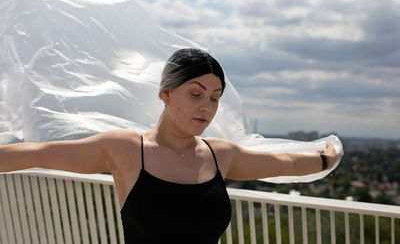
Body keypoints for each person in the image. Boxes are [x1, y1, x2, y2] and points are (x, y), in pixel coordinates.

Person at [0, 48, 339, 244]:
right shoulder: (126, 149)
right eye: (195, 93)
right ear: (165, 93)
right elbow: (35, 154)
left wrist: (327, 158)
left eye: (215, 98)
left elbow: (285, 164)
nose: (206, 106)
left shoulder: (221, 155)